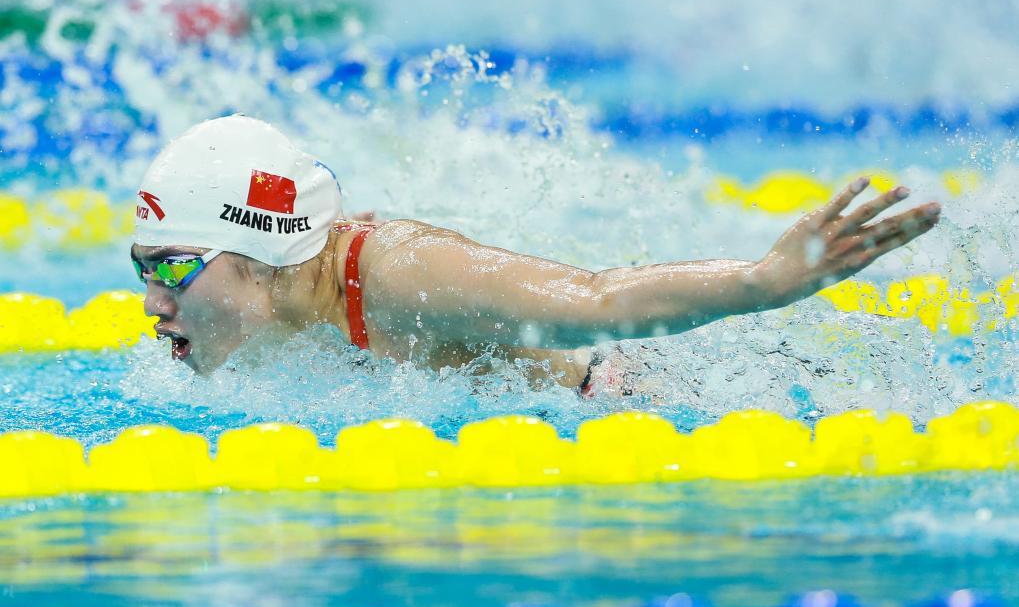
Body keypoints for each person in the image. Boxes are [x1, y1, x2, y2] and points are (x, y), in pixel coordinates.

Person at [131, 115, 941, 396]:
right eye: (143, 271)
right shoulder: (270, 306)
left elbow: (592, 298)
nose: (151, 302)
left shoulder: (399, 276)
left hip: (635, 409)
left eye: (170, 267)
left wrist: (763, 280)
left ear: (259, 249)